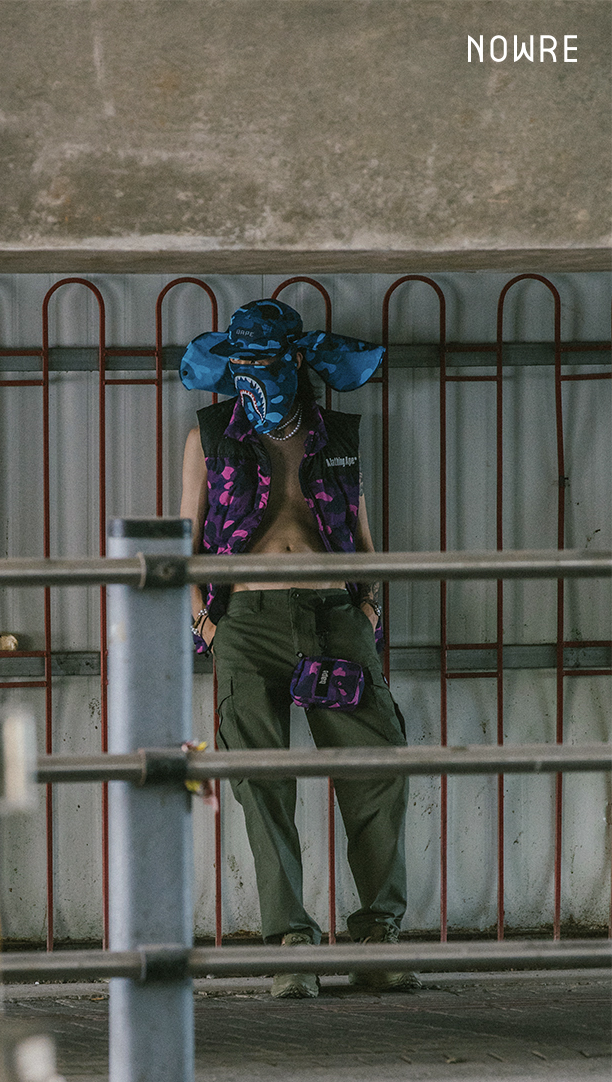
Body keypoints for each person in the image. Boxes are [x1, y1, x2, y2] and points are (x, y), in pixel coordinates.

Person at [178, 299, 417, 997]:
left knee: (376, 767)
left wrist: (369, 605)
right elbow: (183, 538)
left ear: (298, 361)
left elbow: (361, 532)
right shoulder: (210, 435)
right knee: (261, 784)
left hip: (335, 614)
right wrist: (204, 623)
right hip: (246, 621)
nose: (259, 374)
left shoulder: (334, 434)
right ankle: (291, 943)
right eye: (247, 363)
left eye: (271, 361)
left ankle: (378, 938)